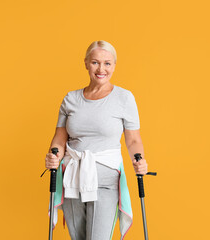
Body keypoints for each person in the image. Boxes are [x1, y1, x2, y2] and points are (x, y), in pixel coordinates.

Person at [45, 40, 148, 240]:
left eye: (107, 63)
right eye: (95, 63)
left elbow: (133, 140)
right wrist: (53, 155)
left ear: (114, 65)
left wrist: (139, 159)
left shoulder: (124, 98)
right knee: (79, 238)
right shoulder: (71, 99)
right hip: (72, 178)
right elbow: (59, 137)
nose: (101, 69)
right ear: (86, 63)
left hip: (106, 181)